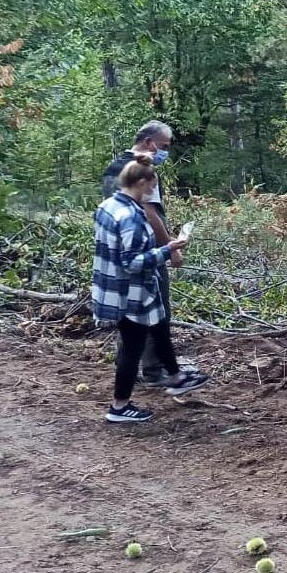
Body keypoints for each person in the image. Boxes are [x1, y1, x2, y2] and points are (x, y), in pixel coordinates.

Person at [92, 154, 210, 423]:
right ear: (142, 182)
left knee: (159, 327)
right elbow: (131, 262)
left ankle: (177, 377)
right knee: (132, 349)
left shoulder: (107, 206)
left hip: (115, 287)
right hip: (130, 293)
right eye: (151, 186)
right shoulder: (130, 217)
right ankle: (119, 407)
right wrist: (166, 251)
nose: (152, 192)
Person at [101, 121, 178, 385]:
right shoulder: (142, 170)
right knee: (156, 311)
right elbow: (150, 211)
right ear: (149, 142)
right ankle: (155, 372)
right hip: (145, 253)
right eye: (164, 146)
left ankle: (128, 370)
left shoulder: (113, 167)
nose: (165, 152)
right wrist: (170, 248)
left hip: (118, 256)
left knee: (129, 315)